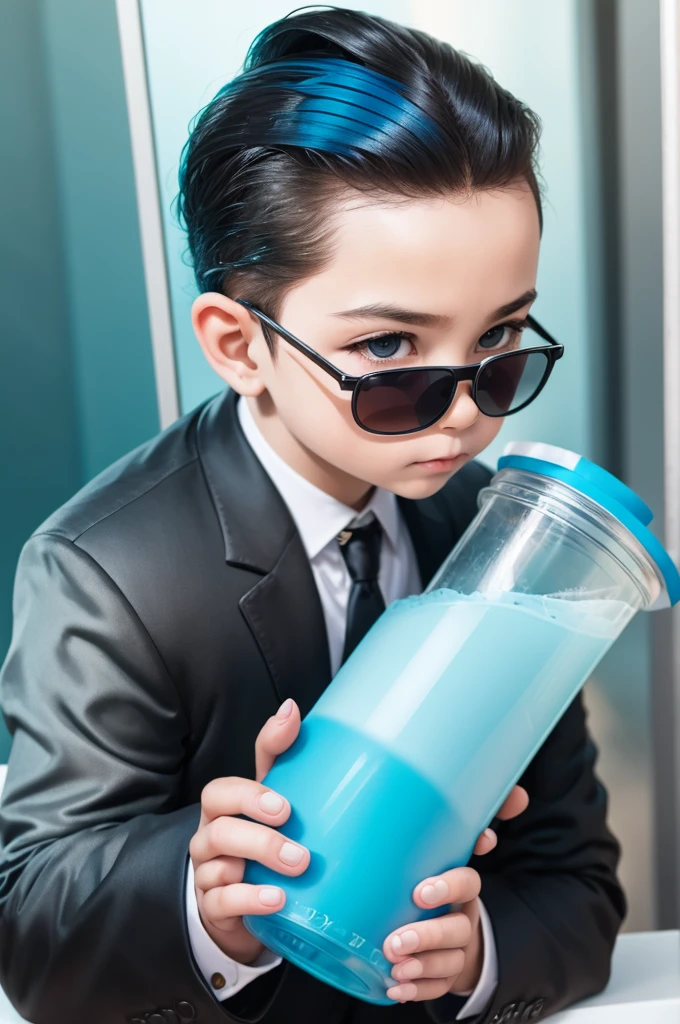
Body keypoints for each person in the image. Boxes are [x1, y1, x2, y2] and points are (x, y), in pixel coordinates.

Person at [0, 7, 625, 1024]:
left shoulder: (493, 536)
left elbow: (575, 884)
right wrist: (211, 905)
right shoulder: (106, 569)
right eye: (388, 352)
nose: (467, 413)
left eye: (502, 337)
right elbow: (36, 929)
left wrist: (473, 955)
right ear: (239, 345)